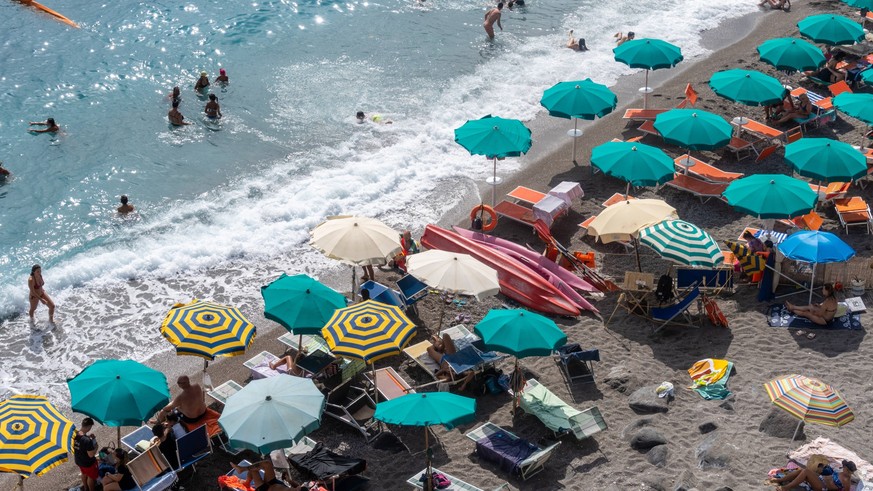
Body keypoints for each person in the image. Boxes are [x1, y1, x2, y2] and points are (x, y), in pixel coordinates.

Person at [772, 459, 856, 491]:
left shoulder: (846, 482)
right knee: (802, 470)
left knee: (806, 472)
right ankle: (781, 480)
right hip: (820, 479)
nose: (845, 470)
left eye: (848, 471)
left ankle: (786, 488)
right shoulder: (841, 473)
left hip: (823, 487)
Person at [230, 460, 311, 491]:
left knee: (254, 470)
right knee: (267, 463)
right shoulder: (300, 489)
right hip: (275, 483)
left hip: (264, 489)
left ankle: (247, 482)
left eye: (297, 489)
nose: (297, 487)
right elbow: (298, 486)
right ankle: (242, 470)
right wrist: (289, 480)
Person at [74, 418, 98, 491]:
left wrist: (89, 437)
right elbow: (91, 455)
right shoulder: (87, 440)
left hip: (78, 460)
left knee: (83, 473)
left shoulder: (75, 434)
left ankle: (85, 488)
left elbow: (79, 445)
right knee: (91, 477)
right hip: (87, 463)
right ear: (89, 426)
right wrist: (96, 447)